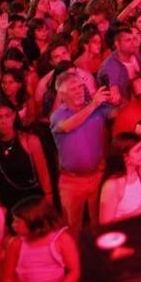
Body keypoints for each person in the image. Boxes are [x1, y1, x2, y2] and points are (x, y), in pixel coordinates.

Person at [50, 70, 118, 236]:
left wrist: (117, 100)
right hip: (72, 182)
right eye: (73, 89)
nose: (79, 91)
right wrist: (93, 105)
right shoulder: (58, 116)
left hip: (97, 176)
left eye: (81, 86)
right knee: (73, 229)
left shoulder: (97, 107)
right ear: (62, 95)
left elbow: (117, 113)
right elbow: (67, 127)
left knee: (100, 222)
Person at [2, 196, 81, 282]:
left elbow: (74, 272)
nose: (12, 224)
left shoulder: (62, 240)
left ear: (34, 222)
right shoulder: (15, 244)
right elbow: (8, 279)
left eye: (17, 221)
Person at [0, 98, 52, 210]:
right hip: (0, 205)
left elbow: (43, 174)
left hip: (30, 201)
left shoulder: (29, 141)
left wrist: (49, 197)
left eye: (8, 115)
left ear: (14, 115)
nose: (4, 121)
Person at [98, 133, 141, 225]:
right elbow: (105, 224)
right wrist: (139, 212)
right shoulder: (112, 185)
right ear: (124, 157)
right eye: (138, 150)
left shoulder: (140, 171)